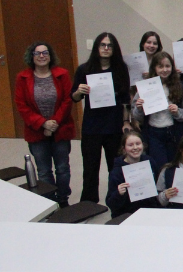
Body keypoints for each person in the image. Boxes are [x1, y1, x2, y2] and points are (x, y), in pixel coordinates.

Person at [72, 32, 130, 203]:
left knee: (115, 167)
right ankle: (89, 202)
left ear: (114, 49)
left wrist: (126, 121)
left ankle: (115, 199)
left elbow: (126, 99)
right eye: (102, 45)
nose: (106, 48)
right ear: (97, 47)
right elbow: (74, 97)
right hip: (92, 126)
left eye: (109, 45)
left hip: (114, 125)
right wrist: (79, 91)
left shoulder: (120, 69)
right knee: (90, 167)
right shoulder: (84, 69)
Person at [15, 41, 75, 206]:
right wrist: (43, 124)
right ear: (32, 57)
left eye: (45, 53)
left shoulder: (62, 74)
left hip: (60, 128)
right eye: (38, 53)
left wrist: (53, 123)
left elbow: (67, 100)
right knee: (43, 171)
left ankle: (63, 200)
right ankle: (49, 202)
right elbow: (22, 105)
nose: (42, 56)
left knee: (62, 168)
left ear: (50, 56)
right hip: (36, 131)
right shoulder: (23, 77)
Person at [131, 51, 183, 168]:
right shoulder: (145, 87)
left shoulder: (180, 87)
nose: (164, 69)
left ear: (172, 68)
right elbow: (137, 117)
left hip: (174, 133)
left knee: (175, 165)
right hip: (153, 133)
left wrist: (177, 112)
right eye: (160, 66)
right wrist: (139, 108)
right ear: (154, 68)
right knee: (159, 167)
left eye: (167, 66)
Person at [105, 131, 161, 217]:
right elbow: (110, 204)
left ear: (143, 145)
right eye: (130, 145)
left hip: (149, 210)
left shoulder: (150, 162)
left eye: (138, 144)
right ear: (124, 149)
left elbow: (157, 186)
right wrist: (118, 193)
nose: (135, 147)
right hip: (126, 213)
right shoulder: (116, 172)